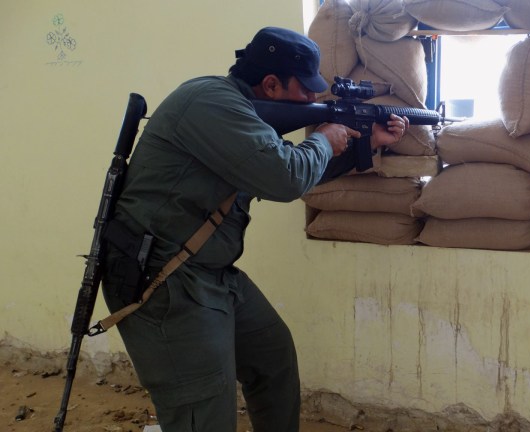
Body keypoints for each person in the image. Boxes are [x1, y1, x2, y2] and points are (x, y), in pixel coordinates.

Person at [101, 26, 409, 432]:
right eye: (305, 91)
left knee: (272, 358)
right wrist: (322, 138)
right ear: (270, 84)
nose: (313, 100)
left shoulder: (243, 114)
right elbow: (285, 178)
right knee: (204, 409)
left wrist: (365, 144)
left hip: (210, 273)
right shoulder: (211, 102)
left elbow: (287, 172)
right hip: (162, 280)